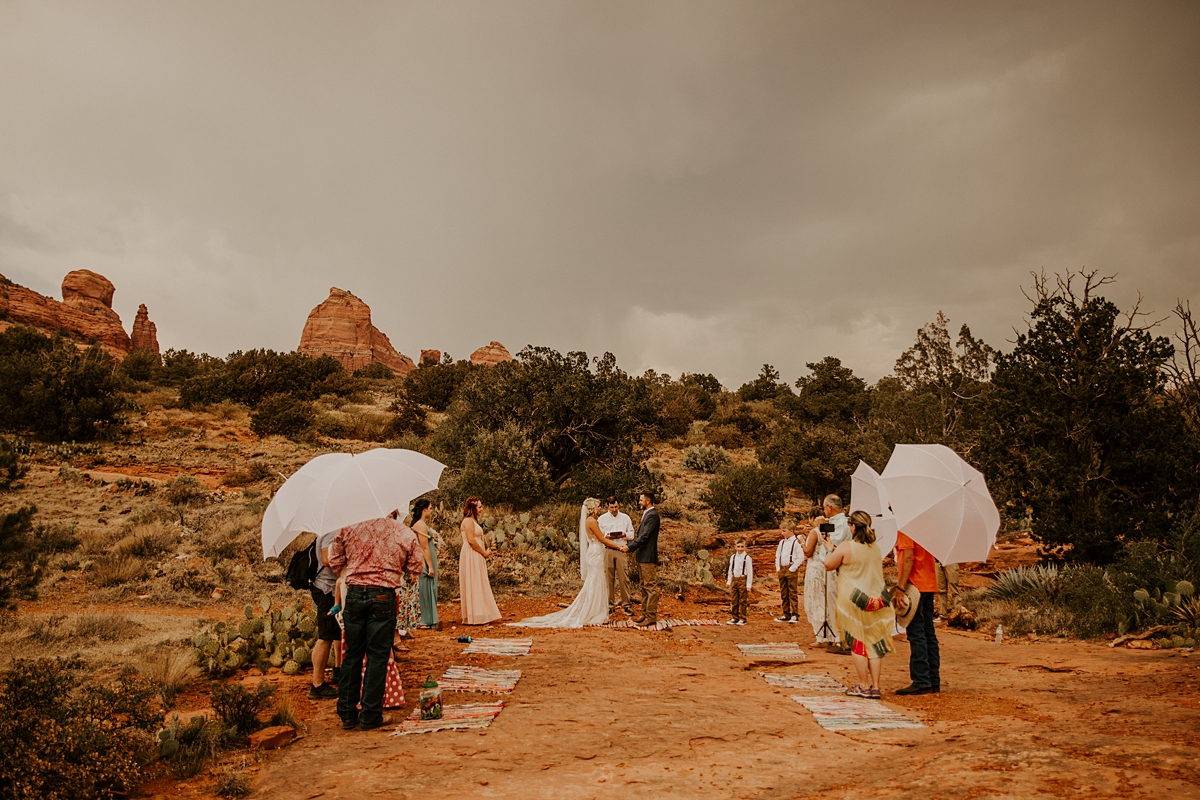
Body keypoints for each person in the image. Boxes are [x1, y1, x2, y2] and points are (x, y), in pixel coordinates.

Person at [327, 510, 424, 731]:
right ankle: (370, 714)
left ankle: (347, 713)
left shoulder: (349, 527)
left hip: (354, 594)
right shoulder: (403, 532)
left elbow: (334, 561)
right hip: (383, 595)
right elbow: (416, 566)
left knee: (352, 653)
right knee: (378, 656)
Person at [510, 498, 623, 628]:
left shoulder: (591, 521)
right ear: (592, 508)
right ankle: (593, 612)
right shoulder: (591, 521)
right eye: (598, 507)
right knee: (595, 581)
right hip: (596, 553)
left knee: (596, 581)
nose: (600, 509)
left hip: (596, 552)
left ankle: (596, 610)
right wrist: (618, 547)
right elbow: (602, 539)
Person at [824, 510, 895, 699]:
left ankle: (863, 685)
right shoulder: (875, 548)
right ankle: (875, 686)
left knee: (858, 642)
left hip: (853, 599)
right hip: (876, 600)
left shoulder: (847, 547)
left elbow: (829, 564)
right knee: (875, 642)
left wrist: (830, 548)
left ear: (853, 527)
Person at [893, 530, 940, 695]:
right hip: (928, 583)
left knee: (916, 632)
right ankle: (933, 678)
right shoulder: (924, 529)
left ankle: (921, 679)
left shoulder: (906, 529)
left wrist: (900, 586)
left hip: (915, 585)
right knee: (928, 632)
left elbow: (908, 557)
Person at [812, 494, 851, 646]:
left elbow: (832, 545)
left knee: (835, 601)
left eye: (824, 507)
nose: (824, 510)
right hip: (833, 566)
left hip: (836, 567)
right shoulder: (837, 522)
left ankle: (838, 638)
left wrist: (820, 528)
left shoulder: (841, 523)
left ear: (829, 507)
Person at [308, 531, 341, 700]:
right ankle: (317, 684)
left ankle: (337, 671)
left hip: (327, 587)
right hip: (326, 588)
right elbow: (327, 559)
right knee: (325, 637)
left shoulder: (330, 529)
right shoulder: (330, 531)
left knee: (334, 634)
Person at [459, 496, 502, 625]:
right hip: (472, 553)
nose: (481, 509)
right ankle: (475, 614)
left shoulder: (473, 521)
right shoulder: (468, 521)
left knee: (478, 580)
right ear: (473, 508)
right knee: (474, 580)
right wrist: (483, 552)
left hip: (476, 553)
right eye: (479, 507)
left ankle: (480, 612)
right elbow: (471, 540)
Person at [627, 491, 661, 629]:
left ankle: (651, 616)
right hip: (642, 555)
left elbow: (645, 536)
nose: (639, 502)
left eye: (641, 500)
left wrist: (630, 547)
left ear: (647, 501)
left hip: (648, 556)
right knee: (644, 586)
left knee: (650, 586)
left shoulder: (652, 516)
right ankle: (645, 613)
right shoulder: (648, 514)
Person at [597, 496, 635, 616]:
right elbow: (599, 534)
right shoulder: (601, 519)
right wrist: (606, 536)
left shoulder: (625, 518)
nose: (614, 509)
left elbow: (632, 534)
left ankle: (626, 605)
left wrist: (624, 534)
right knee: (609, 579)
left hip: (621, 549)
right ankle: (610, 605)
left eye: (616, 507)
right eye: (612, 507)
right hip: (608, 550)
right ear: (607, 506)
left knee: (624, 578)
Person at [801, 521, 836, 644]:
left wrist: (802, 542)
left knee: (816, 600)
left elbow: (808, 552)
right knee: (827, 600)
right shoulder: (829, 532)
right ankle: (832, 633)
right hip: (826, 566)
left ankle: (820, 636)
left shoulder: (814, 532)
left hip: (815, 567)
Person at [411, 498, 439, 629]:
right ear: (424, 509)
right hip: (425, 559)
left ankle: (428, 618)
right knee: (426, 586)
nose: (432, 510)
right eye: (431, 508)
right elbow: (424, 547)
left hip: (428, 556)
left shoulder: (421, 524)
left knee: (429, 586)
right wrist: (430, 566)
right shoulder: (420, 525)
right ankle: (426, 619)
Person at [774, 518, 803, 624]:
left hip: (790, 568)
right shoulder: (781, 542)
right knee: (784, 592)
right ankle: (786, 613)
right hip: (782, 568)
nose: (782, 533)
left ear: (791, 531)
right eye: (782, 530)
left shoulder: (795, 542)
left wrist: (792, 568)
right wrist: (778, 568)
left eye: (784, 530)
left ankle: (795, 614)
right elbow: (778, 555)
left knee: (792, 592)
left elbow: (800, 557)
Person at [726, 538, 753, 625]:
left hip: (742, 580)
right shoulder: (733, 557)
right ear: (735, 547)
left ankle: (743, 618)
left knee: (742, 600)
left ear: (745, 547)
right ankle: (735, 617)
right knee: (734, 600)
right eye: (738, 546)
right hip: (734, 579)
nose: (740, 548)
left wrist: (749, 585)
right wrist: (729, 581)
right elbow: (730, 570)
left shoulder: (747, 558)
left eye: (742, 546)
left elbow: (750, 572)